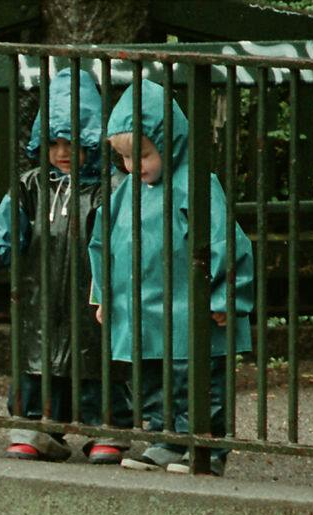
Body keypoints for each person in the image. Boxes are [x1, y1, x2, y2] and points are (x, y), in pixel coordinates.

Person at [88, 78, 254, 475]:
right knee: (150, 379)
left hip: (188, 309)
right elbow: (102, 244)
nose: (133, 166)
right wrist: (102, 294)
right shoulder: (124, 194)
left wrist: (226, 298)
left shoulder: (194, 185)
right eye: (125, 158)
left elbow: (228, 242)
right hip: (142, 312)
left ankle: (205, 448)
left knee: (197, 380)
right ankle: (166, 439)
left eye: (142, 155)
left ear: (170, 142)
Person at [0, 67, 128, 464]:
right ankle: (34, 427)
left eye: (73, 141)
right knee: (37, 362)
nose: (62, 152)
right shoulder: (31, 185)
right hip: (41, 295)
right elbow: (6, 224)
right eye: (54, 143)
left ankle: (104, 428)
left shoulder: (113, 187)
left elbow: (125, 237)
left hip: (93, 295)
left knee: (98, 361)